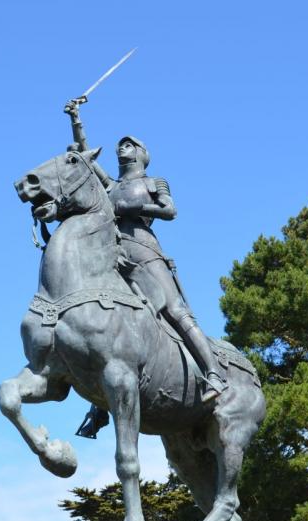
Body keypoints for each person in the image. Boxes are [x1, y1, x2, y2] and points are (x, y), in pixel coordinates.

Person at [64, 101, 227, 439]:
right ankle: (100, 407)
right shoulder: (110, 184)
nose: (121, 148)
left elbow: (170, 211)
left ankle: (214, 374)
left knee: (176, 311)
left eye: (128, 144)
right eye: (120, 144)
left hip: (146, 251)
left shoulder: (155, 181)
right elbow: (83, 154)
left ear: (139, 152)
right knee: (109, 327)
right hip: (115, 255)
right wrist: (76, 119)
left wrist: (135, 205)